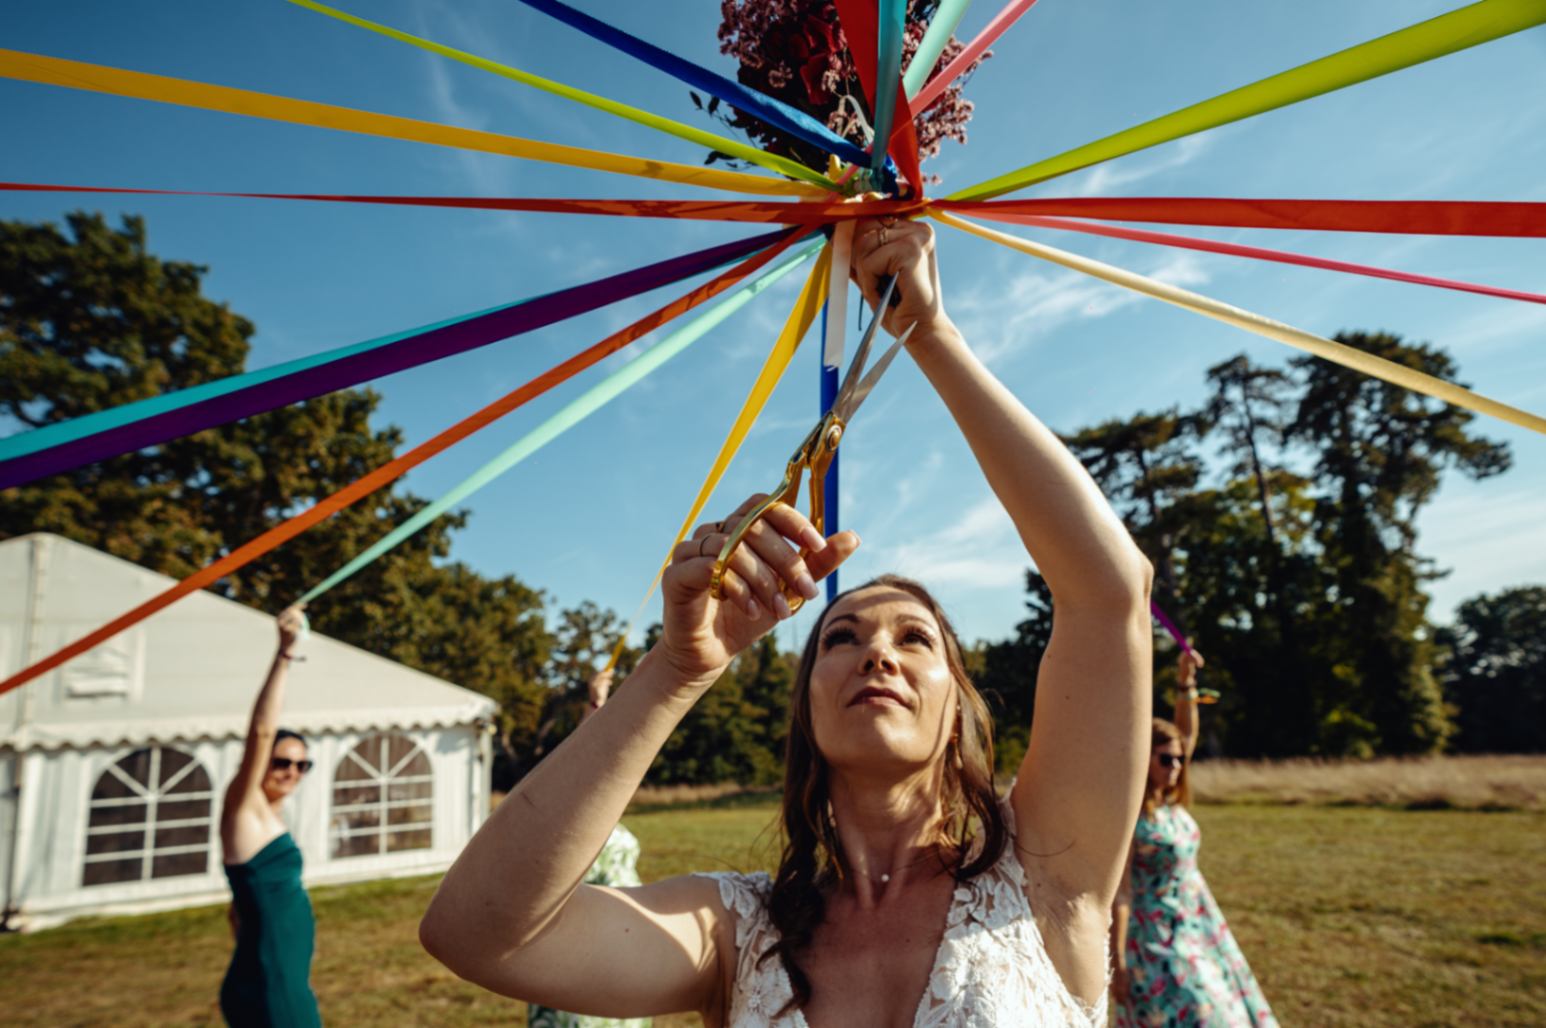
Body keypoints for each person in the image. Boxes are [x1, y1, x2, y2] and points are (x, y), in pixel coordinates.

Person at [419, 217, 1154, 1026]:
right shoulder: (735, 931)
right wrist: (677, 671)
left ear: (956, 713)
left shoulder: (1048, 866)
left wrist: (928, 333)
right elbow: (478, 935)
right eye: (841, 638)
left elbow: (1109, 592)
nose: (877, 652)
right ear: (806, 708)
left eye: (915, 639)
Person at [1112, 650, 1277, 1026]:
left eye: (1179, 760)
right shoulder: (1131, 815)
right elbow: (1120, 893)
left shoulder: (1169, 804)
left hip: (1197, 921)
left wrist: (1186, 681)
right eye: (1165, 760)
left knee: (1225, 1010)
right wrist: (1118, 962)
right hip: (1154, 936)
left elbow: (1184, 737)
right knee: (1195, 1012)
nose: (1175, 767)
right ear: (1143, 760)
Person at [528, 667, 651, 1028]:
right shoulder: (564, 829)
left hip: (626, 951)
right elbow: (590, 759)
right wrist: (597, 704)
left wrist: (598, 702)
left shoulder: (598, 819)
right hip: (580, 957)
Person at [219, 604, 323, 1027]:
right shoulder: (243, 811)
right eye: (282, 761)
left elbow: (237, 911)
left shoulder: (268, 821)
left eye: (302, 765)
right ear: (260, 763)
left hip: (276, 974)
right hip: (273, 984)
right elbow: (261, 732)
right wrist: (285, 654)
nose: (292, 772)